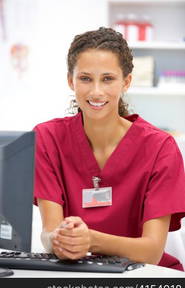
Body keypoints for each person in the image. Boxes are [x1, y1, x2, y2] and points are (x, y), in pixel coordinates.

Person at [33, 27, 185, 270]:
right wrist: (60, 240)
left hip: (145, 276)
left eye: (108, 79)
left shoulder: (160, 148)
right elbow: (49, 234)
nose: (96, 91)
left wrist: (92, 240)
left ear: (126, 82)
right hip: (76, 274)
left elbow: (152, 251)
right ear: (71, 81)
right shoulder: (47, 139)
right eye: (85, 78)